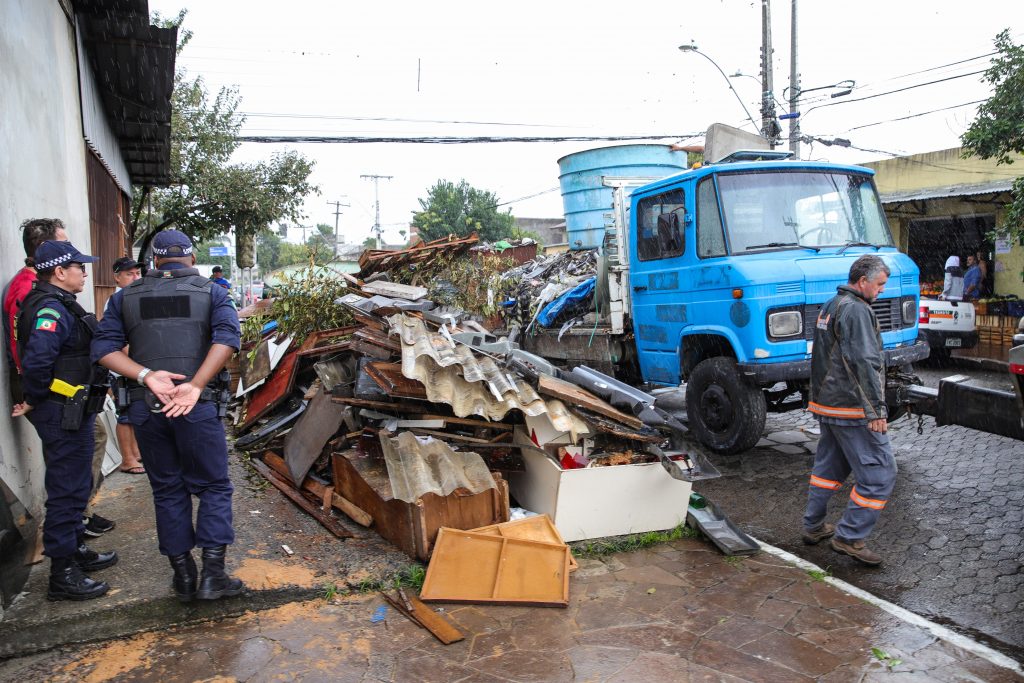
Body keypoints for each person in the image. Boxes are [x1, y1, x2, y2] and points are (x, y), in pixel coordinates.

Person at [92, 230, 243, 602]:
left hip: (147, 407)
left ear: (154, 261)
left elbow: (103, 348)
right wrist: (194, 386)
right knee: (213, 486)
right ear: (191, 258)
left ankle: (185, 577)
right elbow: (228, 339)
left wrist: (145, 376)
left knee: (167, 490)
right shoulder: (213, 292)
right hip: (197, 406)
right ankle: (213, 576)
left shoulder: (125, 297)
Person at [11, 240, 117, 600]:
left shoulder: (60, 304)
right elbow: (39, 364)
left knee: (74, 487)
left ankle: (73, 550)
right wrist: (37, 399)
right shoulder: (49, 311)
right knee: (67, 492)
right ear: (59, 271)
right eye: (79, 268)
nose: (84, 274)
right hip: (62, 413)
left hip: (72, 409)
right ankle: (62, 575)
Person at [802, 254, 896, 566]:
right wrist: (877, 411)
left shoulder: (832, 304)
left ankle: (813, 526)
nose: (882, 290)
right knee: (880, 473)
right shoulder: (857, 310)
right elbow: (864, 362)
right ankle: (849, 537)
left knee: (828, 469)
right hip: (851, 407)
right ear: (863, 281)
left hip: (828, 403)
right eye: (880, 284)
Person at [109, 257, 145, 476]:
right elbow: (118, 341)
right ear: (117, 277)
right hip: (124, 368)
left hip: (136, 367)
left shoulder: (133, 298)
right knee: (125, 415)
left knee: (134, 413)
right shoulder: (116, 300)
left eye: (137, 274)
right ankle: (128, 459)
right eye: (129, 274)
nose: (135, 278)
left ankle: (136, 453)